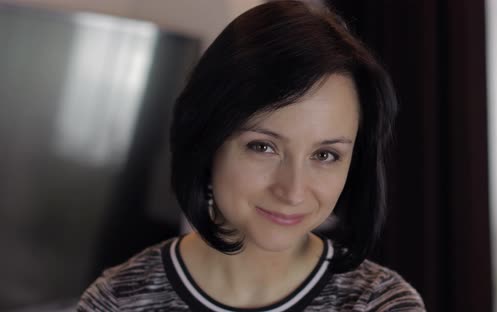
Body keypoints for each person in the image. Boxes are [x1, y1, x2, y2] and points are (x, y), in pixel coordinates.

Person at [77, 1, 425, 311]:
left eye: (325, 154)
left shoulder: (381, 303)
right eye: (263, 147)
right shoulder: (117, 300)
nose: (293, 190)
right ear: (208, 139)